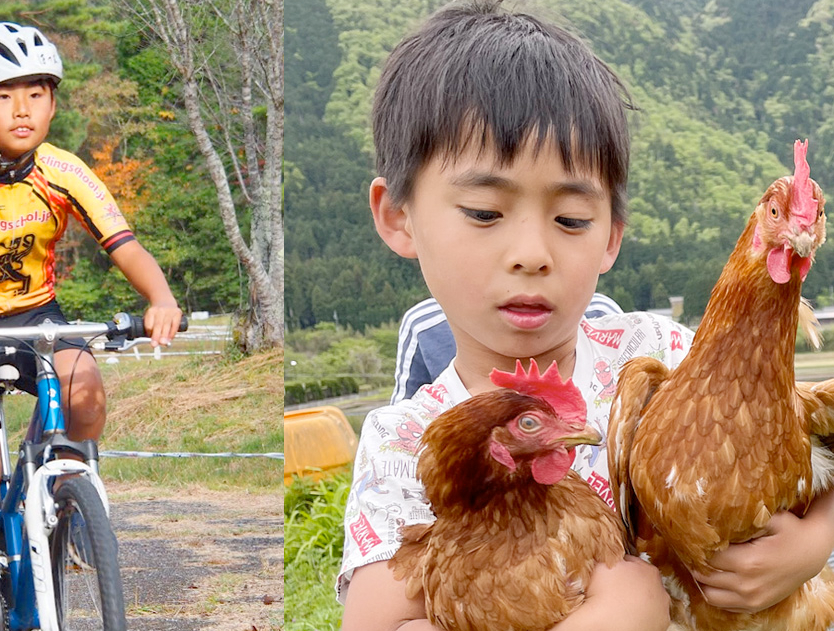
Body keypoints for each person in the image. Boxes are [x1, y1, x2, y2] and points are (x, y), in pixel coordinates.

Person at [337, 2, 834, 630]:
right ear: (397, 216)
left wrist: (817, 539)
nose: (531, 255)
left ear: (611, 237)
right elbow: (376, 623)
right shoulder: (401, 444)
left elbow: (804, 443)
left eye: (571, 220)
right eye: (485, 213)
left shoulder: (665, 359)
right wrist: (624, 609)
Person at [0, 22, 183, 631]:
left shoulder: (65, 171)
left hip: (37, 319)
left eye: (38, 93)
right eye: (3, 95)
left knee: (86, 391)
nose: (23, 109)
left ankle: (67, 488)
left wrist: (160, 296)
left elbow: (124, 245)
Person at [390, 293, 622, 404]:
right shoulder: (425, 325)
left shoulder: (599, 315)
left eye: (570, 221)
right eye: (483, 216)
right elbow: (406, 417)